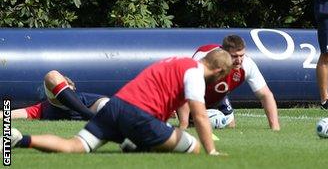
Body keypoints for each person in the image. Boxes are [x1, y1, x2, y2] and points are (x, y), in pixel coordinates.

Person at [10, 49, 233, 155]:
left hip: (116, 106)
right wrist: (211, 151)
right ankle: (133, 143)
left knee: (74, 146)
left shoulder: (176, 61)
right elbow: (201, 114)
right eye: (224, 75)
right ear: (220, 70)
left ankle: (20, 139)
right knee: (193, 148)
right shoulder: (194, 72)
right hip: (138, 115)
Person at [183, 35, 280, 131]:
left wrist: (275, 128)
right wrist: (183, 124)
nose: (239, 61)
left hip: (218, 97)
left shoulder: (247, 65)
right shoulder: (205, 61)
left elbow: (265, 95)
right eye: (234, 56)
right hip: (192, 96)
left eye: (241, 55)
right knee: (193, 127)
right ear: (223, 53)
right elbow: (184, 89)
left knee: (230, 127)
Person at [11, 70, 109, 120]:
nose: (66, 84)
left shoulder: (87, 99)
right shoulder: (42, 108)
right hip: (83, 112)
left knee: (107, 106)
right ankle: (90, 116)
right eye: (64, 84)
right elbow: (10, 114)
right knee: (52, 75)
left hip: (91, 107)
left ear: (73, 89)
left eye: (68, 85)